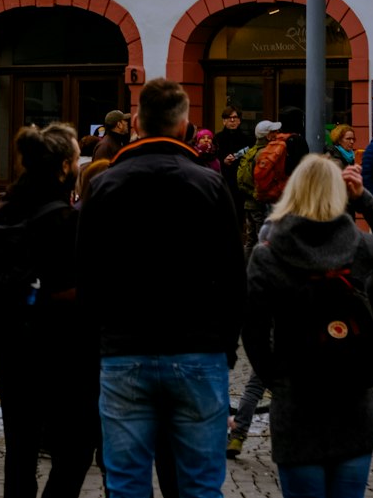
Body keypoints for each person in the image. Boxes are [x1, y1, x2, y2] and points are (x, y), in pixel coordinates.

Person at [77, 76, 245, 498]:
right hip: (197, 348)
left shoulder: (103, 186)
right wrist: (226, 345)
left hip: (124, 349)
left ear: (136, 121)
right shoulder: (208, 184)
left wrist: (99, 341)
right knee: (200, 486)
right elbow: (232, 273)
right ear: (184, 124)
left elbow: (87, 273)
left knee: (127, 485)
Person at [243, 152, 373, 496]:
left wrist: (276, 377)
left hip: (297, 399)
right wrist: (364, 197)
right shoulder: (357, 245)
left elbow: (253, 330)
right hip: (353, 398)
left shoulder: (267, 253)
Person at [0, 122, 98, 498]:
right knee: (76, 450)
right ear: (65, 167)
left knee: (20, 449)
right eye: (78, 159)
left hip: (5, 346)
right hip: (61, 351)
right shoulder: (67, 221)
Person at [239, 120, 277, 249]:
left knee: (250, 241)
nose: (277, 134)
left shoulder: (252, 151)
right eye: (274, 132)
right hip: (260, 204)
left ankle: (246, 268)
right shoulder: (264, 154)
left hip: (249, 203)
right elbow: (265, 181)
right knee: (263, 241)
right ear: (267, 136)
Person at [214, 106, 250, 226]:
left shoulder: (247, 139)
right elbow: (212, 159)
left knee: (239, 216)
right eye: (229, 118)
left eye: (235, 118)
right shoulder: (217, 138)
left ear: (239, 120)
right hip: (222, 180)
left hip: (240, 182)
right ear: (224, 121)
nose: (233, 121)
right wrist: (223, 160)